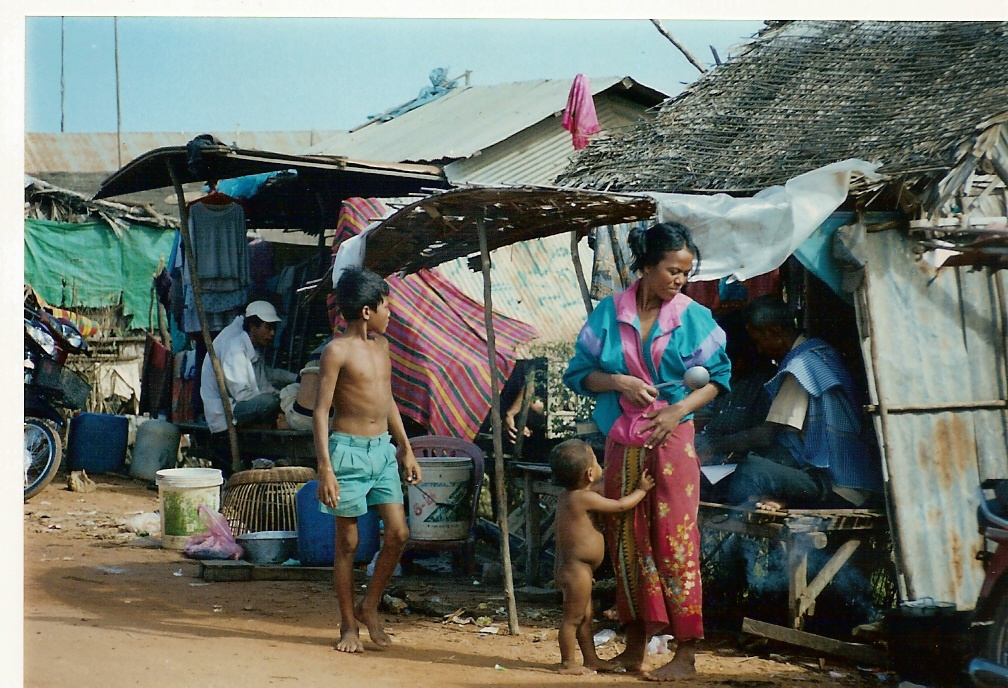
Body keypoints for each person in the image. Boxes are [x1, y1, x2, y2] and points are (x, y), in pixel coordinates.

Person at [564, 221, 732, 679]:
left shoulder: (692, 315)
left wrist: (677, 412)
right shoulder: (608, 313)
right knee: (625, 541)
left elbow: (718, 378)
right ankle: (635, 647)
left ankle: (686, 653)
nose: (680, 280)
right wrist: (618, 380)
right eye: (672, 270)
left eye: (685, 272)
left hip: (674, 442)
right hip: (623, 440)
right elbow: (579, 374)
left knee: (676, 542)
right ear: (646, 267)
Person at [313, 266, 422, 654]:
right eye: (386, 306)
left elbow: (387, 399)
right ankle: (347, 626)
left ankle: (369, 606)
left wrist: (404, 446)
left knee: (399, 533)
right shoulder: (336, 351)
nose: (389, 313)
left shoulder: (382, 348)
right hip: (347, 452)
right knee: (348, 542)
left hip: (382, 452)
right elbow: (320, 410)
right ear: (365, 311)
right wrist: (326, 468)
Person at [702, 295, 882, 509]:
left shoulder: (800, 366)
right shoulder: (823, 353)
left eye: (759, 341)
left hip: (836, 484)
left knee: (751, 470)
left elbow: (765, 435)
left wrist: (711, 446)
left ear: (775, 333)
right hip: (854, 481)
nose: (759, 350)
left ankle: (739, 533)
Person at [549, 438, 655, 675]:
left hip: (576, 569)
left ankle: (591, 659)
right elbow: (619, 506)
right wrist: (641, 490)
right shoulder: (584, 498)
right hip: (577, 570)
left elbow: (600, 488)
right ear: (589, 474)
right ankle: (568, 662)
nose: (601, 467)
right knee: (572, 619)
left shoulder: (569, 496)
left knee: (586, 617)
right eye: (597, 463)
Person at [199, 300, 297, 452]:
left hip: (241, 406)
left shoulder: (248, 344)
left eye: (273, 328)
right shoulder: (234, 348)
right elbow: (243, 395)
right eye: (268, 328)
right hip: (226, 414)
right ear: (253, 326)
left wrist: (294, 381)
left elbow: (266, 376)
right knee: (270, 402)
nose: (272, 333)